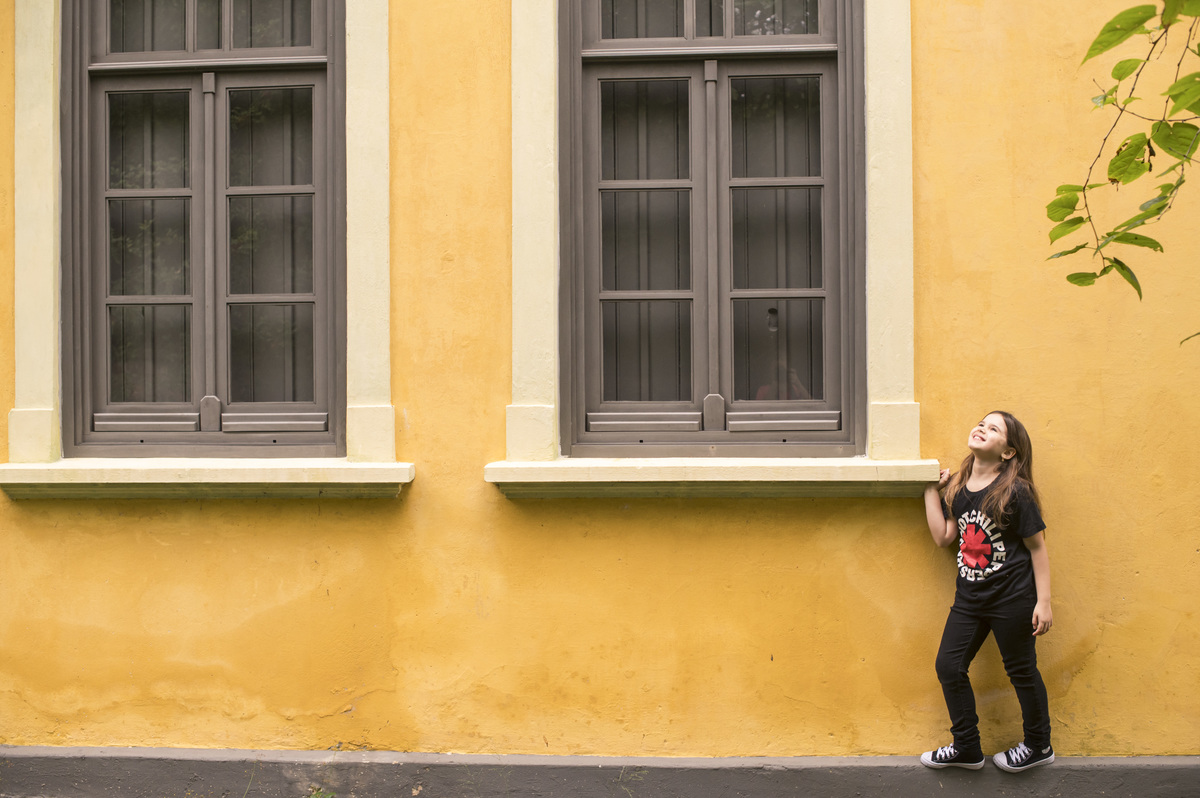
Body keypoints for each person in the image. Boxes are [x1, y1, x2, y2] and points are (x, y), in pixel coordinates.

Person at [919, 411, 1054, 773]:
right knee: (949, 666)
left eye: (993, 429)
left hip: (1013, 599)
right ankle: (967, 748)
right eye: (981, 423)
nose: (981, 428)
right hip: (969, 600)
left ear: (1008, 452)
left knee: (1022, 671)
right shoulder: (960, 490)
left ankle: (1039, 745)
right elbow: (944, 537)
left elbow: (1037, 548)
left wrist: (1043, 601)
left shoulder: (1016, 492)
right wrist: (931, 491)